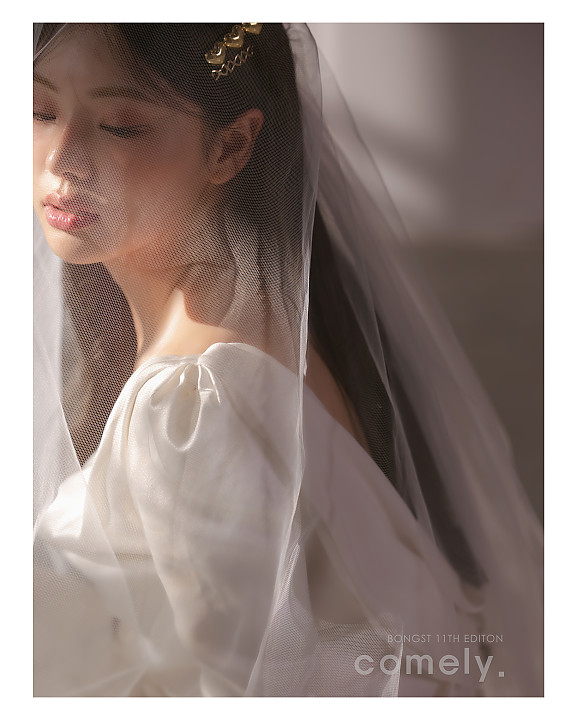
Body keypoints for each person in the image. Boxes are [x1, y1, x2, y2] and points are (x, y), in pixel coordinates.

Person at [33, 23, 543, 697]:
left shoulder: (195, 409)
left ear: (231, 146)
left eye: (120, 125)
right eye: (40, 110)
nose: (60, 159)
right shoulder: (278, 344)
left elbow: (241, 690)